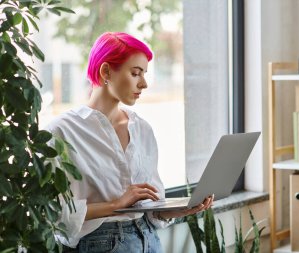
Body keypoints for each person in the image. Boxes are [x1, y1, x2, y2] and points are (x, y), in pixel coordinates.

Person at [46, 32, 214, 253]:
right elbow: (52, 213)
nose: (143, 83)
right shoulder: (61, 131)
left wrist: (179, 210)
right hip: (98, 244)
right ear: (106, 71)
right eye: (136, 73)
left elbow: (151, 209)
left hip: (149, 240)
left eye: (144, 74)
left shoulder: (142, 129)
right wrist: (115, 205)